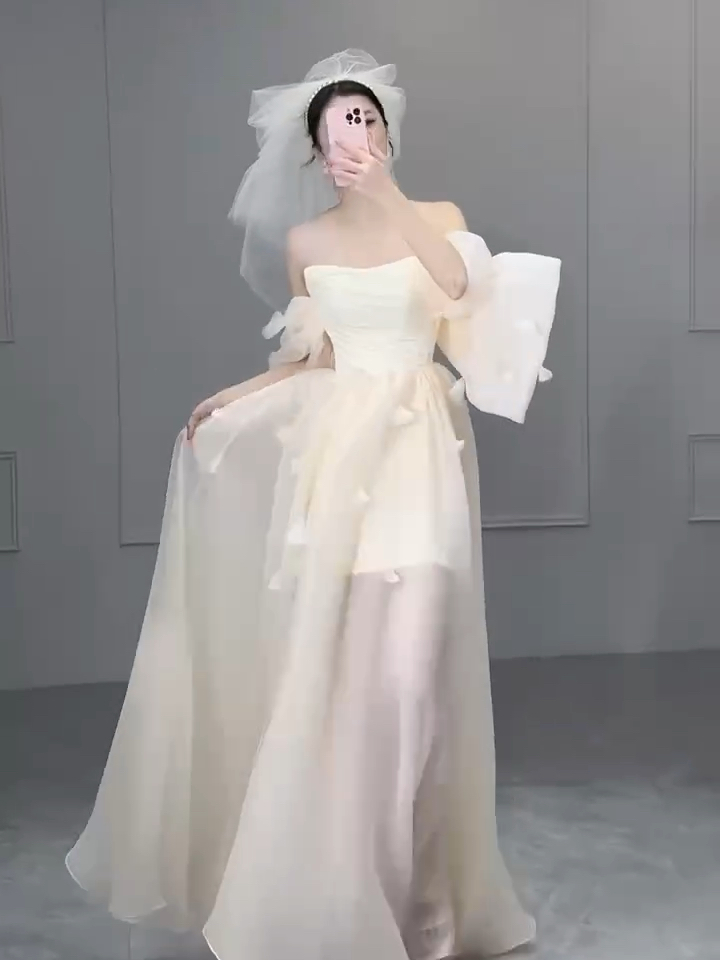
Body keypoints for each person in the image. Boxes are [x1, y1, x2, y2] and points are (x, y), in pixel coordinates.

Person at [66, 49, 560, 960]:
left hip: (417, 455)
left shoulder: (437, 219)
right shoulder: (307, 245)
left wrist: (389, 196)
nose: (355, 137)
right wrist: (234, 398)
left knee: (416, 687)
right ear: (317, 152)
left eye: (368, 120)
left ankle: (426, 912)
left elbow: (457, 288)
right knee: (356, 695)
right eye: (339, 129)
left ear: (387, 135)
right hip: (340, 470)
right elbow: (318, 358)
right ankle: (349, 904)